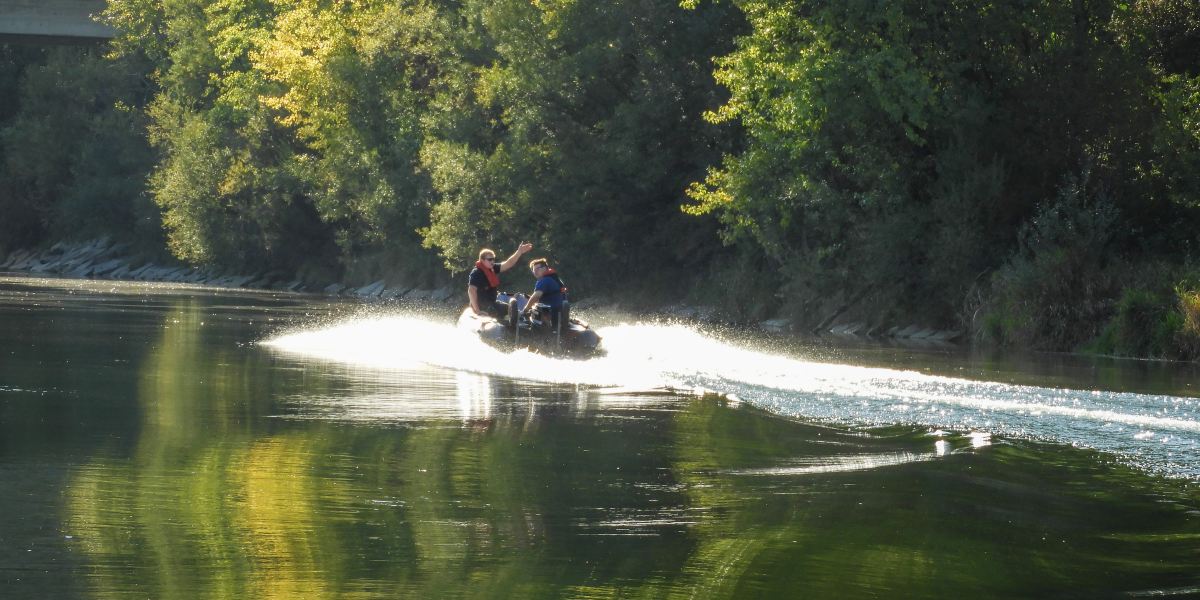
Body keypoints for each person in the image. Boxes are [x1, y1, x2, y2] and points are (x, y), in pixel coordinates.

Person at [468, 242, 532, 317]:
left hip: (492, 303)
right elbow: (471, 291)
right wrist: (478, 311)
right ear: (482, 260)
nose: (492, 261)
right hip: (482, 306)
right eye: (490, 259)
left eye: (493, 259)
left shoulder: (492, 268)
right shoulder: (476, 273)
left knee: (512, 309)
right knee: (505, 310)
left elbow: (509, 263)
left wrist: (519, 252)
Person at [522, 257, 567, 327]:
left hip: (550, 315)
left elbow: (536, 296)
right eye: (533, 270)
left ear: (545, 268)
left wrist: (526, 309)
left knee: (529, 313)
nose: (535, 272)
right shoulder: (556, 279)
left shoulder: (544, 280)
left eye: (537, 269)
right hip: (560, 314)